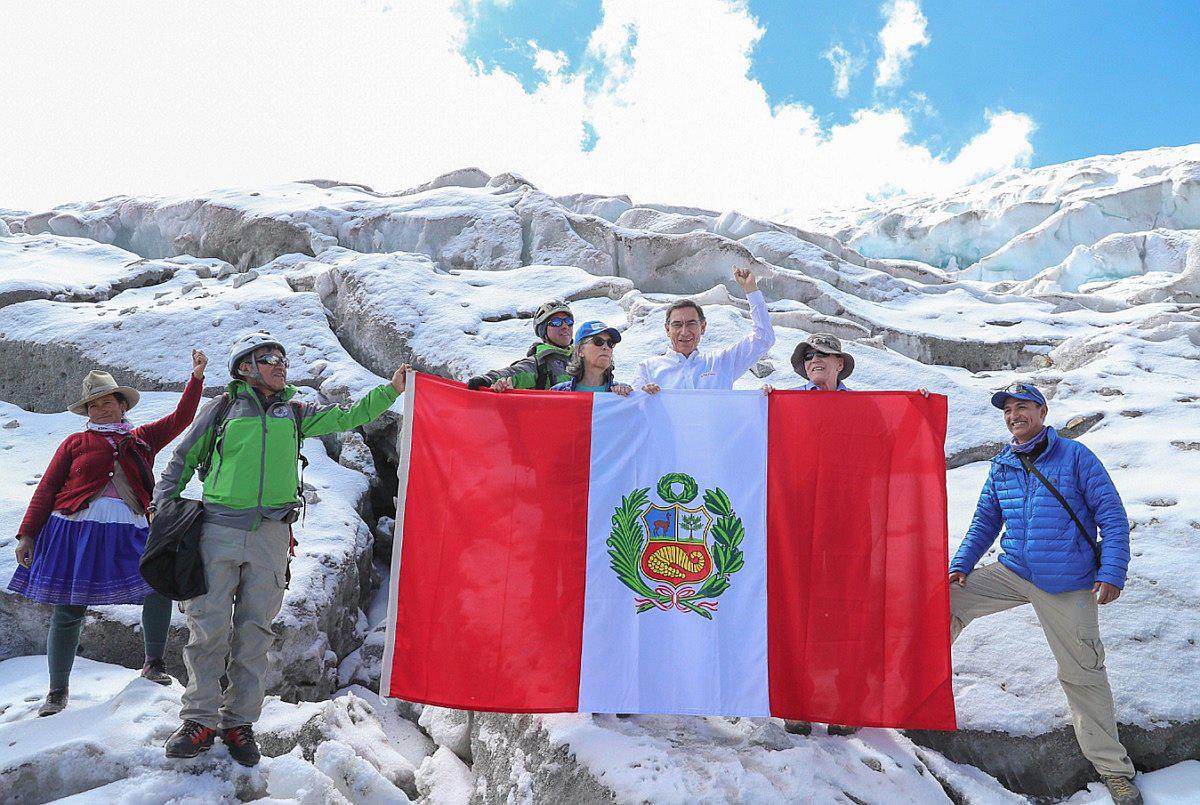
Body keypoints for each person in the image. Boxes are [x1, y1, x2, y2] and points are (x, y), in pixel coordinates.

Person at [155, 331, 409, 766]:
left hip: (272, 535)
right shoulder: (221, 408)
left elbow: (347, 416)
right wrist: (163, 510)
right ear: (244, 367)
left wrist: (392, 389)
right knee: (208, 627)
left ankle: (239, 724)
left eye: (283, 358)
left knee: (256, 631)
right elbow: (181, 459)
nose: (280, 364)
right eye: (268, 357)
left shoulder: (294, 411)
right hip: (216, 529)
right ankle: (199, 719)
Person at [948, 383, 1141, 805]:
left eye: (1022, 408)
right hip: (1014, 571)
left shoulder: (1075, 457)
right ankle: (912, 693)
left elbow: (1111, 514)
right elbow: (985, 520)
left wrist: (1112, 571)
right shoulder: (1003, 464)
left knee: (1083, 672)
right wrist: (961, 565)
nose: (1014, 415)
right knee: (942, 604)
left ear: (1042, 411)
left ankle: (1114, 771)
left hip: (1067, 582)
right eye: (1007, 410)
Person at [9, 353, 208, 716]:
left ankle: (154, 664)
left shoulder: (143, 438)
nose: (100, 410)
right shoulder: (74, 443)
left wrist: (195, 379)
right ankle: (58, 690)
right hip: (74, 531)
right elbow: (48, 487)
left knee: (157, 589)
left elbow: (181, 420)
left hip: (130, 529)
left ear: (121, 404)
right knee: (69, 608)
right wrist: (27, 534)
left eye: (107, 402)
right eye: (94, 405)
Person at [635, 268, 775, 393]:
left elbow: (763, 338)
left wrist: (751, 289)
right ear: (667, 329)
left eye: (691, 324)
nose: (684, 331)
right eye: (677, 324)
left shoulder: (721, 363)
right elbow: (632, 412)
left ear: (702, 327)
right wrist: (642, 396)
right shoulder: (647, 369)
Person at [467, 300, 574, 392]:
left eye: (569, 321)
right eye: (556, 322)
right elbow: (513, 373)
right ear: (543, 330)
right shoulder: (538, 363)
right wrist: (488, 380)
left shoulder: (585, 357)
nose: (565, 326)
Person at [550, 321, 633, 395]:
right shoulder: (558, 392)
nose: (606, 347)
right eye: (598, 341)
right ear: (580, 351)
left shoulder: (622, 393)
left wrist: (629, 395)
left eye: (610, 343)